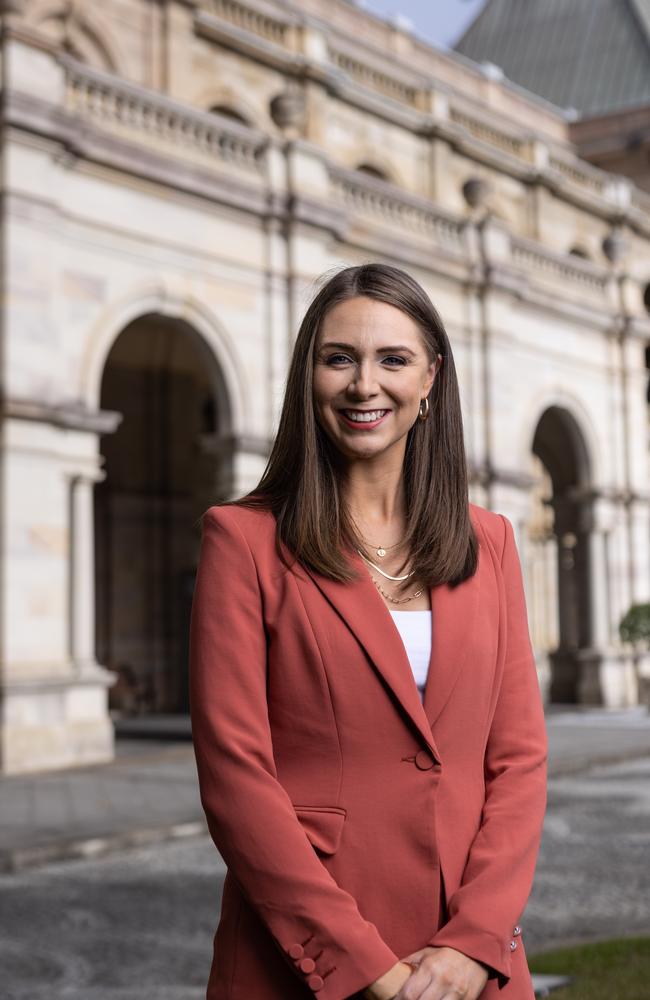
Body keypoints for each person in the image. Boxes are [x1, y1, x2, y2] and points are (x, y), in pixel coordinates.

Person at [189, 263, 548, 1000]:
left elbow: (517, 761)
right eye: (338, 358)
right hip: (304, 958)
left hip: (471, 958)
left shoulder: (493, 543)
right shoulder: (243, 540)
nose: (363, 385)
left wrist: (473, 943)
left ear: (430, 381)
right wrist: (368, 969)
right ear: (309, 375)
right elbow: (235, 776)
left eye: (393, 359)